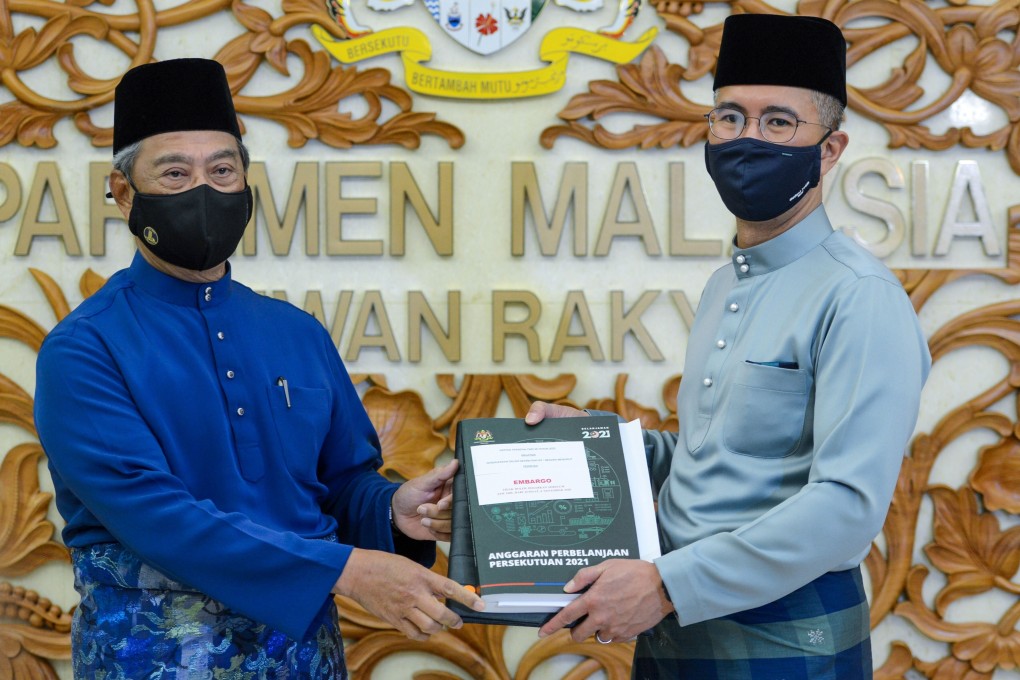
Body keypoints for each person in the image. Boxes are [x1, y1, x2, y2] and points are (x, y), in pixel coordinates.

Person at [33, 58, 483, 678]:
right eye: (174, 172)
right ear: (123, 192)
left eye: (222, 169)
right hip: (151, 656)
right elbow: (157, 517)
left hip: (302, 654)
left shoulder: (295, 333)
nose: (204, 189)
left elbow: (343, 483)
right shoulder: (84, 349)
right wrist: (346, 570)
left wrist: (393, 510)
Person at [526, 14, 931, 679]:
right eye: (730, 117)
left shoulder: (859, 296)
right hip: (676, 624)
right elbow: (725, 463)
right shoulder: (727, 283)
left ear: (830, 150)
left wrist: (664, 585)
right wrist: (607, 447)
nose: (749, 138)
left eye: (778, 122)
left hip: (785, 638)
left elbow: (846, 509)